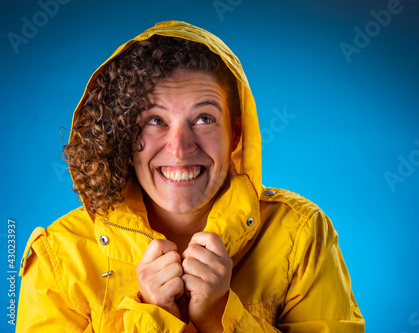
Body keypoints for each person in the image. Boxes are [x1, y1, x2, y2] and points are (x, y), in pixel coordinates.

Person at [16, 21, 365, 332]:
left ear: (236, 134)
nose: (180, 148)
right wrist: (151, 318)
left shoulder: (301, 235)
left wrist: (219, 317)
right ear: (123, 133)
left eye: (204, 119)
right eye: (155, 120)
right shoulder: (58, 257)